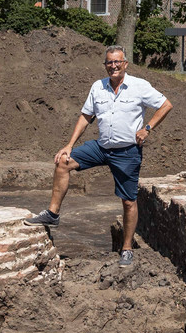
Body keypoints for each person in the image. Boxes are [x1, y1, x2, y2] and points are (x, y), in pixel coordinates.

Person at [26, 44, 172, 267]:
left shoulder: (139, 86)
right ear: (105, 65)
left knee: (128, 202)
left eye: (117, 62)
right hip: (102, 147)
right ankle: (53, 214)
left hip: (127, 152)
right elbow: (86, 116)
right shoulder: (98, 87)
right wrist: (69, 144)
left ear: (125, 64)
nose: (113, 66)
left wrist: (147, 128)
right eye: (109, 62)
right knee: (63, 162)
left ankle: (126, 248)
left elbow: (165, 104)